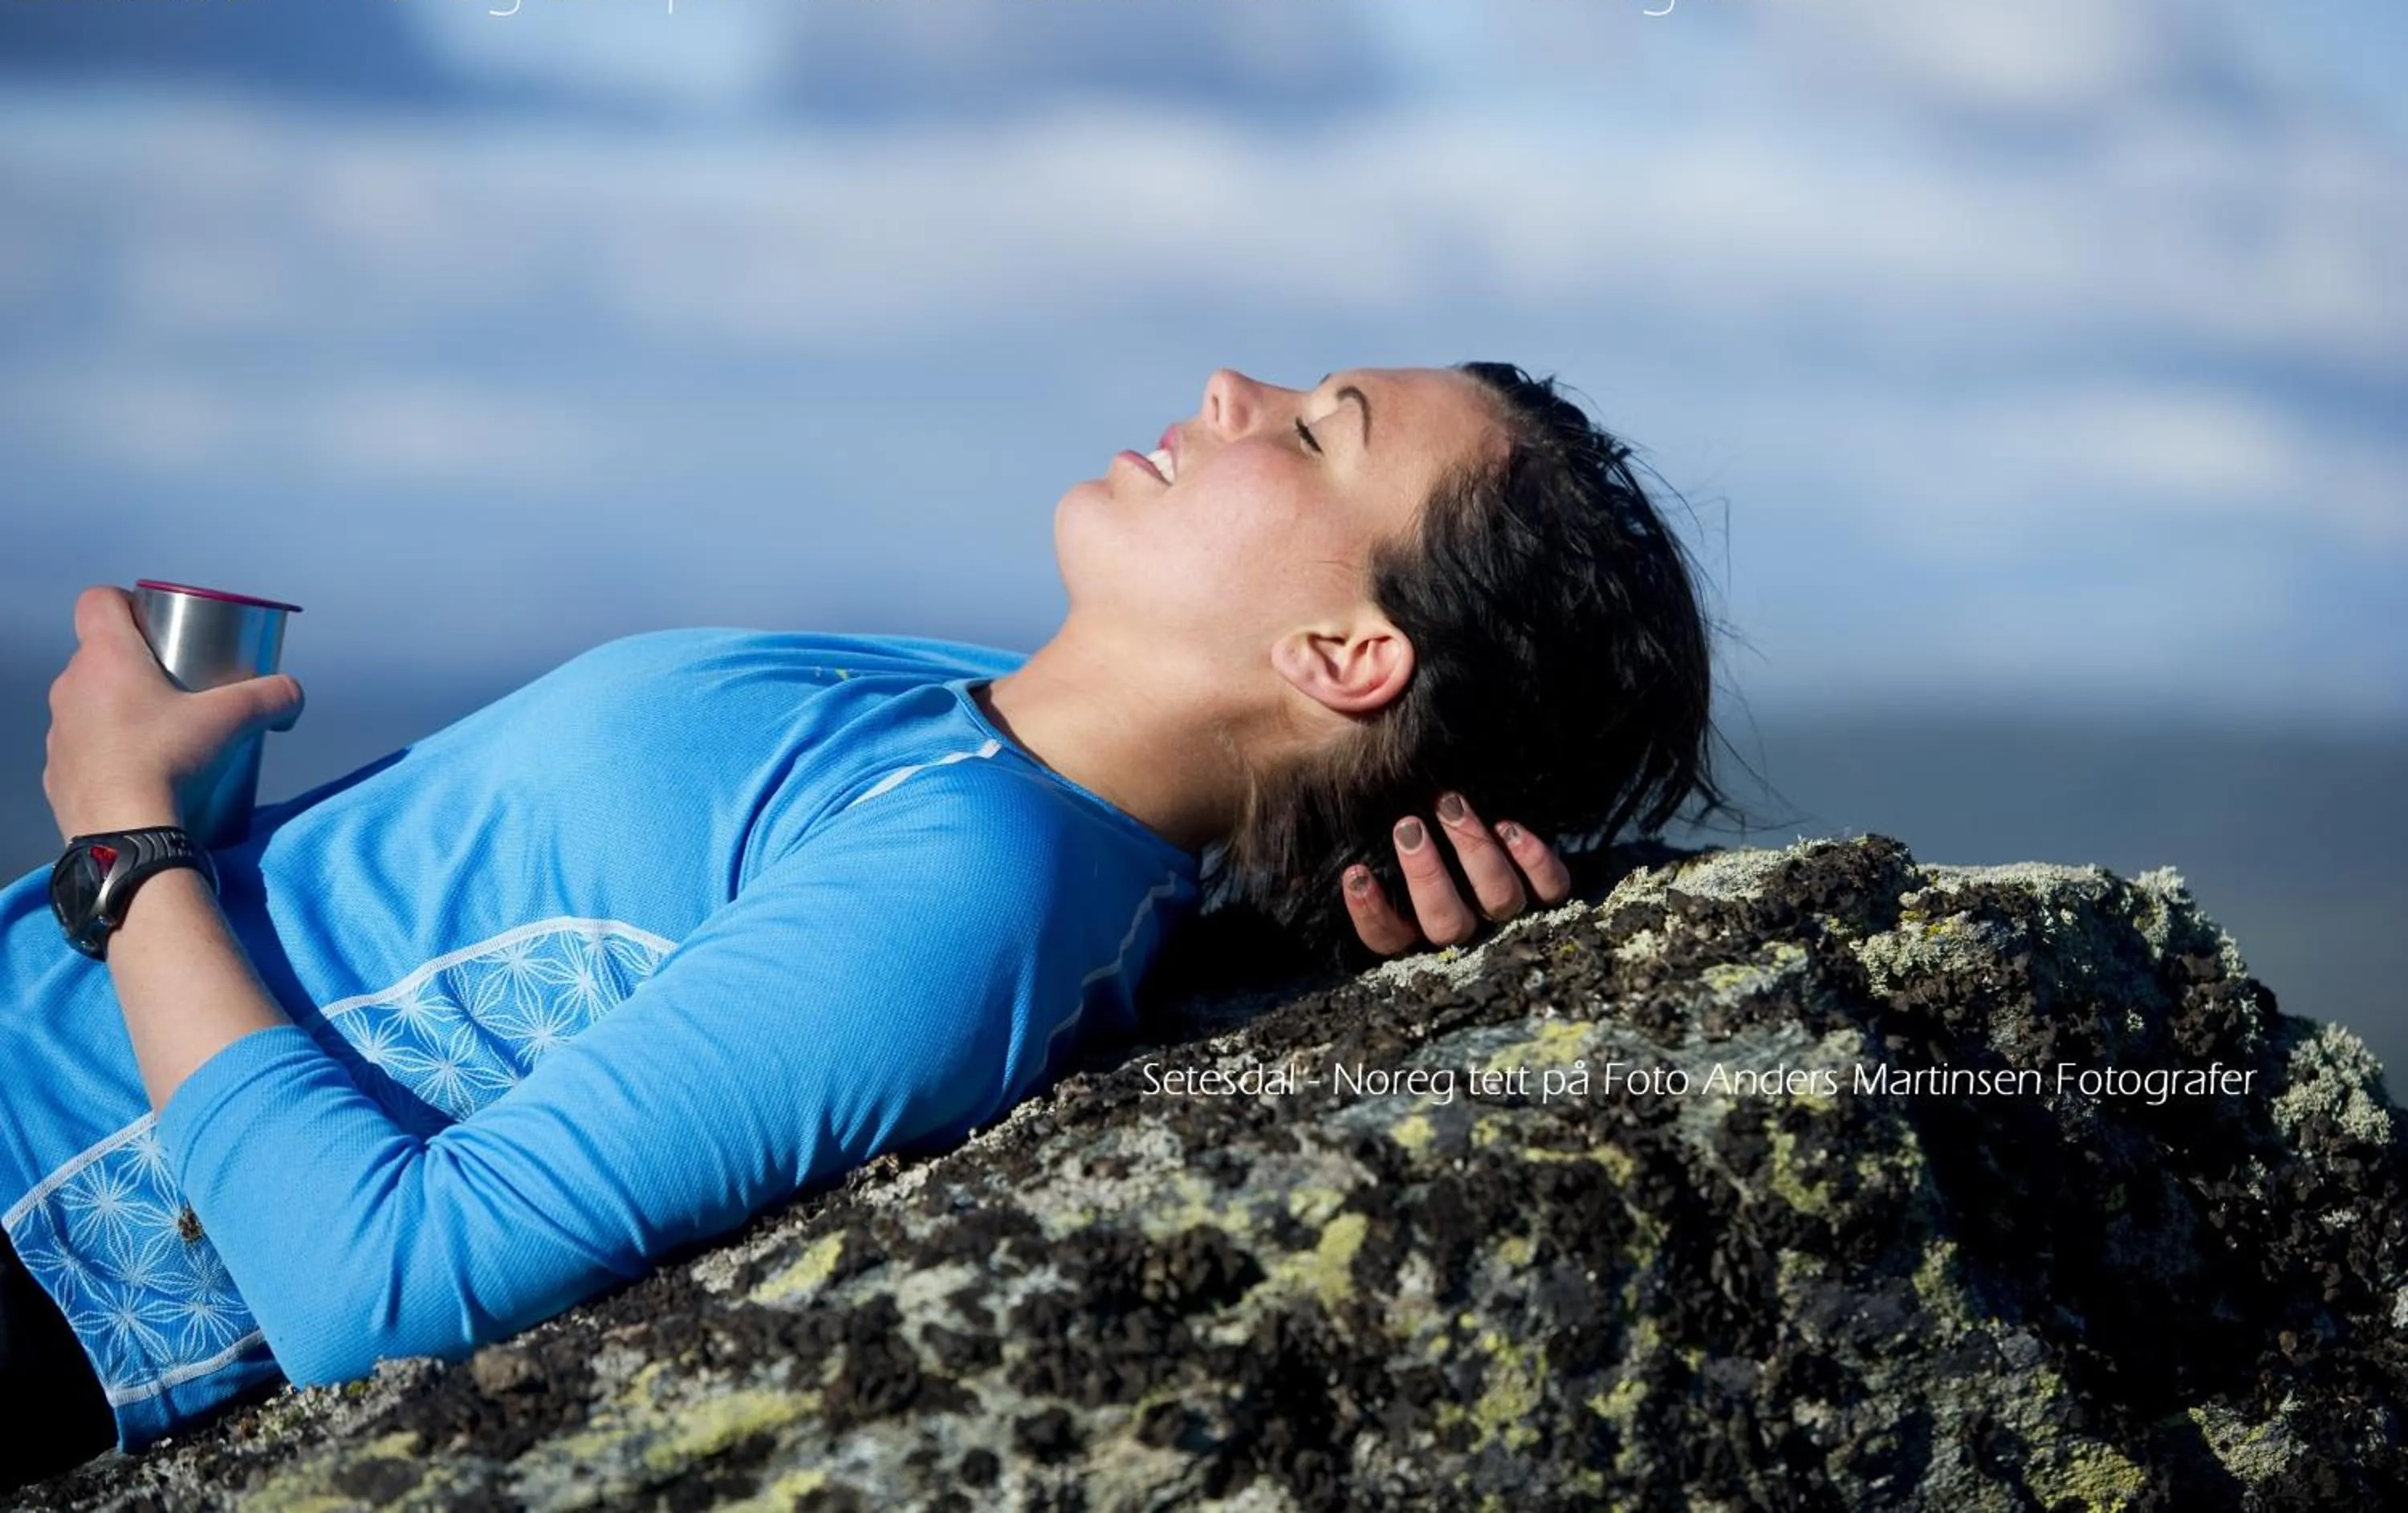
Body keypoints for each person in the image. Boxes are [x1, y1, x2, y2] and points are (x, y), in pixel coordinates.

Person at [0, 362, 1729, 1482]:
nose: (1230, 385)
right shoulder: (965, 719)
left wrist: (128, 839)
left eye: (1312, 431)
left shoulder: (967, 887)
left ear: (1345, 658)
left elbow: (382, 1286)